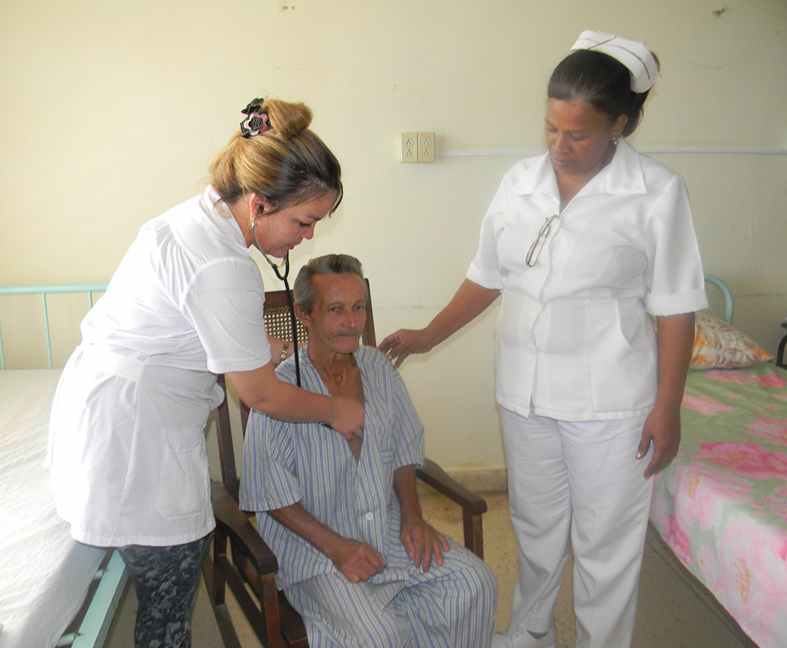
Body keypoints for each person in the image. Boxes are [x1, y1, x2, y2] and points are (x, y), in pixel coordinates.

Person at [379, 31, 708, 648]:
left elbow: (676, 309)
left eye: (577, 133)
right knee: (534, 525)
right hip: (524, 392)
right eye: (551, 128)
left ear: (620, 124)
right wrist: (427, 335)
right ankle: (530, 632)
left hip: (609, 402)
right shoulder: (519, 183)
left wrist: (668, 406)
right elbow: (487, 276)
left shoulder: (657, 194)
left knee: (605, 543)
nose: (560, 145)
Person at [46, 98, 364, 648]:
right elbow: (261, 396)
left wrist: (259, 341)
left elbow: (193, 322)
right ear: (261, 203)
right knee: (170, 602)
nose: (308, 237)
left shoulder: (194, 218)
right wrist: (338, 411)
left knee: (163, 581)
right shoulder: (223, 265)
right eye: (304, 221)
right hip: (136, 437)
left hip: (104, 406)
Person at [239, 254, 499, 648]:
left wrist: (412, 516)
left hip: (387, 530)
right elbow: (270, 495)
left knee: (473, 584)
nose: (352, 321)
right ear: (304, 315)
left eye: (359, 307)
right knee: (380, 636)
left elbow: (403, 448)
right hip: (317, 551)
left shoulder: (377, 367)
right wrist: (337, 548)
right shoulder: (280, 393)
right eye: (336, 310)